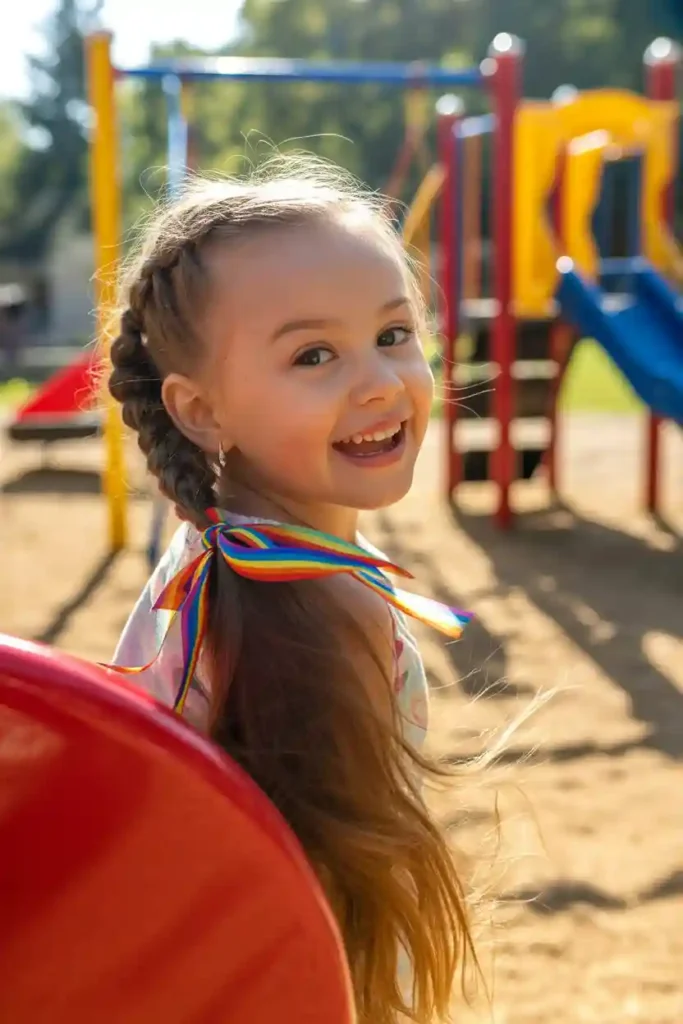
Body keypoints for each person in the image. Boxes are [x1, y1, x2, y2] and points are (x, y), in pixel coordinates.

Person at [109, 157, 475, 1024]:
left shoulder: (209, 555)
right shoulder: (314, 607)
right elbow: (346, 903)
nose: (381, 381)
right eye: (314, 354)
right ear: (200, 412)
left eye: (394, 334)